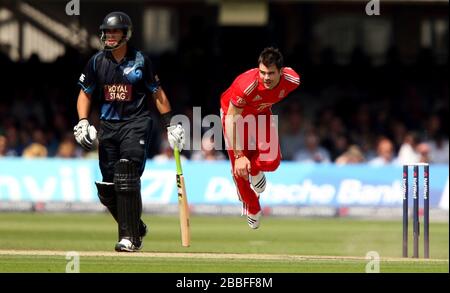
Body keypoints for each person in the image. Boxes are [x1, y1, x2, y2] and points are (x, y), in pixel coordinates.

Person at [73, 12, 185, 252]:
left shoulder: (141, 61)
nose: (109, 36)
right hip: (108, 127)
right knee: (107, 189)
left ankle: (130, 238)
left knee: (126, 172)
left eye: (114, 32)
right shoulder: (96, 61)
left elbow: (157, 92)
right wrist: (83, 121)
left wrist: (170, 124)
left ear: (126, 34)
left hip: (136, 123)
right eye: (107, 32)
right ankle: (135, 225)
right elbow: (85, 93)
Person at [221, 47, 300, 229]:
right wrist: (240, 156)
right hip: (234, 115)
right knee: (239, 170)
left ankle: (256, 170)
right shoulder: (247, 85)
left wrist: (253, 168)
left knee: (272, 161)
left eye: (271, 73)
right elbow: (232, 117)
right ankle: (253, 207)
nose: (266, 78)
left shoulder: (292, 80)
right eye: (262, 72)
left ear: (281, 71)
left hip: (261, 112)